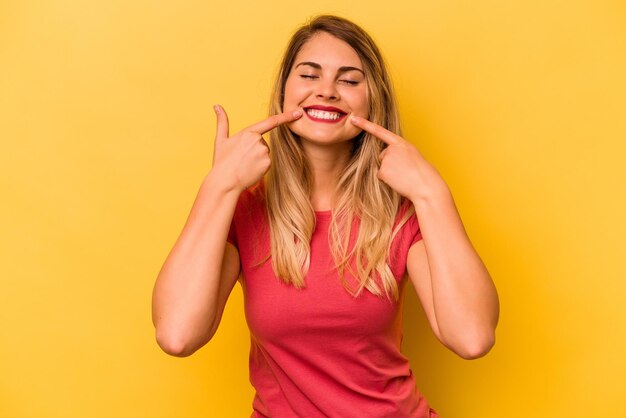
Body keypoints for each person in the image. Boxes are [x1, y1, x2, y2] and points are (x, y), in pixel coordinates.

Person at [152, 15, 499, 418]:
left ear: (374, 100)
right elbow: (177, 335)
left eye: (349, 80)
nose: (327, 91)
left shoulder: (403, 213)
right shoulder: (244, 209)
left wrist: (432, 192)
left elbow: (472, 338)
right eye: (309, 75)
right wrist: (219, 187)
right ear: (285, 90)